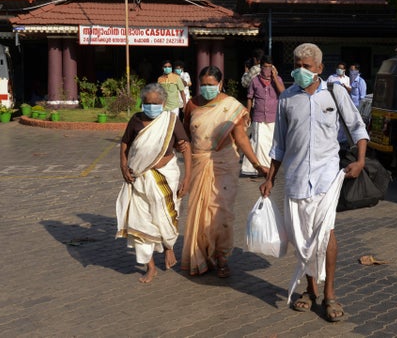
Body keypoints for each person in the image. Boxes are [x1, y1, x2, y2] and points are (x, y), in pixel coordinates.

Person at [260, 43, 368, 322]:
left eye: (306, 66)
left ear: (320, 68)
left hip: (327, 178)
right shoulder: (287, 99)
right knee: (303, 239)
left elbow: (357, 127)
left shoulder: (335, 94)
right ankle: (310, 290)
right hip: (295, 179)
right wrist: (270, 179)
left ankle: (330, 294)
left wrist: (360, 160)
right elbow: (278, 145)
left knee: (325, 235)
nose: (300, 71)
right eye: (296, 65)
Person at [181, 65, 268, 278]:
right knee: (200, 214)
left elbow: (241, 138)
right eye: (204, 85)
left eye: (212, 85)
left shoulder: (231, 106)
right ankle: (201, 257)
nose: (207, 88)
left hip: (224, 165)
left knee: (221, 214)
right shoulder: (192, 105)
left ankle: (221, 258)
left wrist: (257, 165)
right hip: (199, 163)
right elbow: (186, 138)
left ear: (220, 84)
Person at [116, 83, 192, 283]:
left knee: (165, 214)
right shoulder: (136, 120)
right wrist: (123, 166)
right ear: (142, 103)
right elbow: (125, 143)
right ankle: (150, 267)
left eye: (156, 103)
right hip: (138, 177)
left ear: (164, 103)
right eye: (148, 103)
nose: (152, 106)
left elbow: (185, 148)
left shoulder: (171, 120)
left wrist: (187, 177)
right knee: (139, 221)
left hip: (165, 176)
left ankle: (168, 247)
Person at [241, 55, 285, 178]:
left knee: (270, 143)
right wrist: (248, 114)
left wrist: (275, 77)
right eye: (265, 67)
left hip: (273, 117)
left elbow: (283, 93)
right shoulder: (255, 80)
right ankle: (258, 169)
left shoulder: (278, 79)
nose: (267, 69)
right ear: (261, 67)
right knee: (258, 142)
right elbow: (250, 97)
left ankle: (270, 169)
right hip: (259, 116)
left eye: (269, 67)